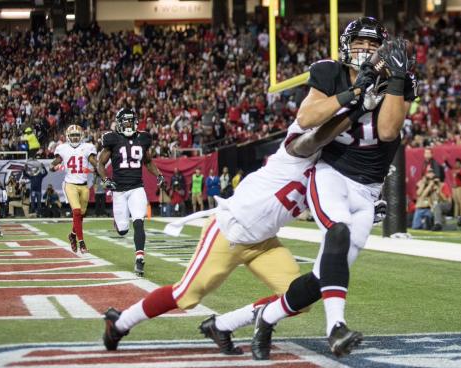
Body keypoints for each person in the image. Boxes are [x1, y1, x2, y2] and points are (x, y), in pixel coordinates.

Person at [101, 90, 356, 354]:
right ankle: (120, 322)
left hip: (265, 242)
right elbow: (314, 138)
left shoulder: (331, 170)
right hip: (230, 231)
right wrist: (354, 109)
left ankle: (223, 324)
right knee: (186, 295)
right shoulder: (299, 142)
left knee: (299, 298)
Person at [251, 17, 416, 359]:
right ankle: (336, 329)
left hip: (368, 190)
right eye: (360, 44)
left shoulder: (398, 79)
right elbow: (308, 117)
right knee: (336, 233)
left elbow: (387, 132)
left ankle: (255, 319)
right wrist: (355, 93)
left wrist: (396, 79)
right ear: (346, 45)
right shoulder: (329, 72)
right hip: (331, 173)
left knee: (319, 279)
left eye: (373, 46)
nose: (366, 51)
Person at [97, 108, 165, 276]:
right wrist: (106, 180)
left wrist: (158, 174)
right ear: (119, 123)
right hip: (119, 190)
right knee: (122, 230)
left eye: (130, 121)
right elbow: (100, 164)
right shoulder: (112, 139)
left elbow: (148, 161)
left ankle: (140, 258)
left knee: (139, 221)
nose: (128, 124)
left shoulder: (143, 138)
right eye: (125, 121)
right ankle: (118, 223)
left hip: (137, 187)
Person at [50, 125, 98, 254]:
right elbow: (58, 160)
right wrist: (53, 165)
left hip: (84, 185)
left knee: (81, 215)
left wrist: (98, 167)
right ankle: (81, 242)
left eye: (77, 135)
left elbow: (93, 160)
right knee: (76, 212)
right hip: (70, 184)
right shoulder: (63, 148)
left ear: (81, 136)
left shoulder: (87, 147)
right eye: (73, 136)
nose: (75, 138)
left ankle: (72, 235)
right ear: (68, 137)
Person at [451, 158, 461, 230]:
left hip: (460, 186)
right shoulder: (454, 169)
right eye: (456, 163)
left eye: (458, 163)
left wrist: (458, 173)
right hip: (454, 186)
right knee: (456, 201)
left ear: (460, 164)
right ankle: (455, 215)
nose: (456, 164)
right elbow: (449, 167)